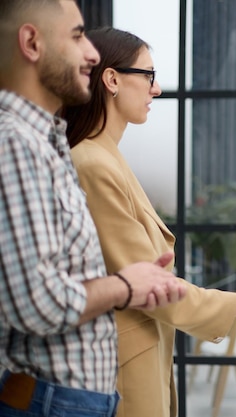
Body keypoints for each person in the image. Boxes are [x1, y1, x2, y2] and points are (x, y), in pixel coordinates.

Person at [61, 26, 236, 417]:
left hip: (138, 358)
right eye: (149, 76)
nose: (155, 90)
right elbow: (152, 288)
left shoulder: (107, 158)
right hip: (121, 373)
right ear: (111, 79)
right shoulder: (93, 164)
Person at [0, 2, 188, 417]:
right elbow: (36, 301)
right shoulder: (17, 144)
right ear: (31, 42)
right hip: (55, 400)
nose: (90, 52)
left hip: (73, 398)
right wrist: (125, 285)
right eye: (77, 35)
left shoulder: (47, 143)